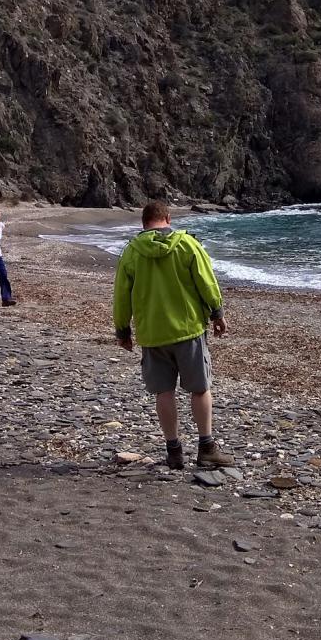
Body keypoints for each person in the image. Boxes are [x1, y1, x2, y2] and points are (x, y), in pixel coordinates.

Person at [113, 201, 232, 470]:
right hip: (188, 329)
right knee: (200, 389)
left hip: (153, 333)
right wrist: (217, 312)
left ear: (143, 223)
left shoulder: (132, 251)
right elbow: (206, 280)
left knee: (163, 392)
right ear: (168, 218)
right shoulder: (186, 244)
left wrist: (122, 329)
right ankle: (206, 447)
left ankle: (174, 451)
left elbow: (121, 295)